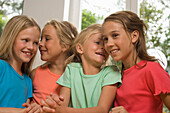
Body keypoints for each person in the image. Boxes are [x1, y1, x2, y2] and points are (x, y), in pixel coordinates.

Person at [41, 24, 122, 113]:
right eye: (97, 43)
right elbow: (62, 104)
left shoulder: (111, 72)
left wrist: (64, 110)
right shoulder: (71, 70)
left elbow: (102, 109)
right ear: (80, 48)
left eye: (105, 44)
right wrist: (54, 106)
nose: (103, 47)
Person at [101, 10, 170, 113]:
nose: (109, 44)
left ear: (134, 36)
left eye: (115, 35)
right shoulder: (116, 77)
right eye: (105, 39)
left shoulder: (152, 70)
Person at [23, 19, 78, 113]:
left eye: (47, 39)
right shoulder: (35, 73)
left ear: (64, 46)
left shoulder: (76, 76)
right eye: (41, 39)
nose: (40, 43)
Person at [0, 15, 41, 112]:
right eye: (26, 40)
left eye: (35, 43)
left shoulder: (28, 81)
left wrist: (34, 109)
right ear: (11, 39)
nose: (31, 47)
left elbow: (24, 109)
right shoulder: (1, 67)